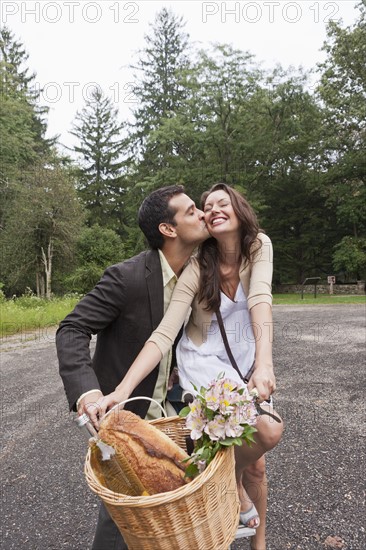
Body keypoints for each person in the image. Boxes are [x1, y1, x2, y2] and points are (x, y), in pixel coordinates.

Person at [95, 183, 284, 550]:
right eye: (205, 206)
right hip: (205, 365)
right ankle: (223, 484)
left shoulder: (258, 244)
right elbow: (165, 333)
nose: (211, 209)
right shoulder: (200, 263)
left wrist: (264, 364)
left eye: (221, 203)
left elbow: (261, 299)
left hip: (246, 365)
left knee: (257, 465)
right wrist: (122, 390)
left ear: (239, 208)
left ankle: (258, 541)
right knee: (268, 431)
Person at [56, 184, 209, 550]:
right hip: (126, 413)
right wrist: (88, 391)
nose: (202, 213)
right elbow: (72, 328)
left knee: (176, 501)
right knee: (122, 513)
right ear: (167, 230)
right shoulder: (125, 278)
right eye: (190, 211)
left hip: (175, 410)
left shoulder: (202, 273)